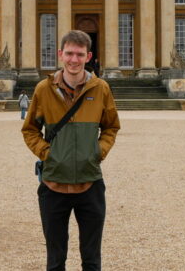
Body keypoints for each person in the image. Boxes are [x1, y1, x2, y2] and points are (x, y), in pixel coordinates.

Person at [21, 30, 120, 271]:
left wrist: (96, 153)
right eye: (69, 54)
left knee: (92, 259)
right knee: (55, 260)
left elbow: (111, 127)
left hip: (90, 183)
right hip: (53, 184)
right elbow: (30, 130)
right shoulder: (43, 90)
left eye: (79, 54)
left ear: (88, 56)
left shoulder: (101, 89)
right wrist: (49, 154)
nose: (74, 60)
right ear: (60, 55)